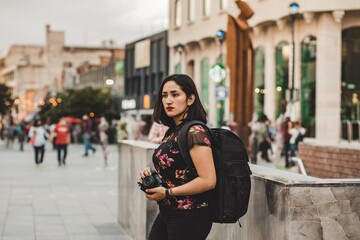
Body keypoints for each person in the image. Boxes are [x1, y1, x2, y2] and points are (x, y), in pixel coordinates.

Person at [139, 74, 216, 240]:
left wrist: (167, 192)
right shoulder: (173, 131)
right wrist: (152, 175)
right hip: (169, 212)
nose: (168, 101)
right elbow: (179, 170)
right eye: (164, 96)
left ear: (190, 99)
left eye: (175, 95)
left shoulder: (195, 132)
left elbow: (208, 180)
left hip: (190, 215)